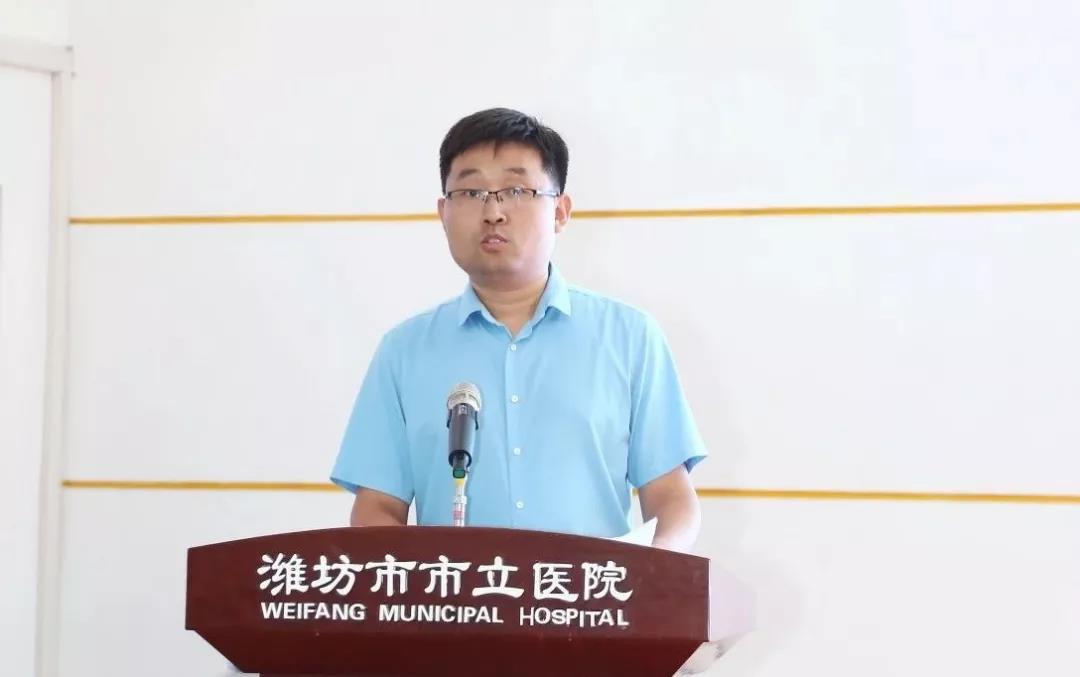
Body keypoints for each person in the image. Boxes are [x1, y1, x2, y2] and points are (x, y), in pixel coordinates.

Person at [331, 108, 706, 551]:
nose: (493, 211)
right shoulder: (404, 352)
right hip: (455, 596)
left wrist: (656, 576)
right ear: (443, 213)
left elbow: (671, 499)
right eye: (471, 192)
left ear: (560, 211)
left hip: (591, 595)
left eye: (515, 190)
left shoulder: (630, 338)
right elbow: (376, 509)